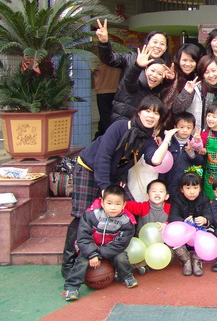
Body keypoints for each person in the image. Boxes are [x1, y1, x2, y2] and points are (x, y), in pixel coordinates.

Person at [62, 97, 169, 279]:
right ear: (139, 112)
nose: (151, 116)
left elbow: (155, 160)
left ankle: (122, 261)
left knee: (128, 210)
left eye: (156, 113)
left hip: (113, 175)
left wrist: (167, 139)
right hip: (89, 168)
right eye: (147, 111)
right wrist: (104, 187)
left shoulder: (148, 139)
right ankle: (69, 263)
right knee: (82, 214)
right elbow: (102, 157)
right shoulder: (120, 127)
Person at [63, 184, 137, 301]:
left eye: (117, 204)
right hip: (90, 247)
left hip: (110, 249)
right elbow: (83, 238)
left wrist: (99, 254)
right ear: (102, 203)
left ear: (124, 205)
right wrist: (92, 254)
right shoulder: (91, 215)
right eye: (109, 203)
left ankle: (126, 276)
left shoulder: (127, 222)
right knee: (82, 261)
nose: (113, 208)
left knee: (121, 258)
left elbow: (120, 244)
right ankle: (72, 286)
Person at [169, 172, 214, 276]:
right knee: (172, 234)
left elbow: (210, 215)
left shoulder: (204, 199)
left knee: (211, 232)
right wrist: (184, 222)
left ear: (200, 188)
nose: (192, 191)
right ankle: (186, 260)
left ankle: (197, 260)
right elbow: (173, 216)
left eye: (195, 188)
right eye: (188, 188)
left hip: (200, 229)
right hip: (184, 230)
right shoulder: (177, 199)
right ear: (182, 189)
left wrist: (205, 220)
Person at [110, 44, 167, 123]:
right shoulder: (136, 84)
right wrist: (138, 66)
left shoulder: (156, 92)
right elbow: (129, 80)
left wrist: (170, 81)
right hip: (123, 124)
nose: (154, 75)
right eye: (152, 70)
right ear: (146, 70)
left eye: (160, 74)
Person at [124, 179, 171, 275]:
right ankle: (142, 265)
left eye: (161, 191)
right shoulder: (144, 207)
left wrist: (167, 224)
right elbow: (126, 205)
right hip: (142, 241)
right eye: (154, 191)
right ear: (147, 195)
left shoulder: (170, 208)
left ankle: (140, 265)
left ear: (166, 196)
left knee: (170, 253)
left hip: (161, 243)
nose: (157, 193)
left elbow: (176, 220)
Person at [96, 20, 170, 72]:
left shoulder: (166, 68)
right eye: (155, 42)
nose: (158, 46)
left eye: (162, 44)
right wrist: (104, 43)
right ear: (147, 43)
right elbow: (109, 59)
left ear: (166, 48)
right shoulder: (131, 58)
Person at [157, 112, 203, 195]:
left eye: (188, 127)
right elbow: (162, 162)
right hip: (171, 181)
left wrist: (191, 153)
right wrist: (161, 182)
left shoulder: (195, 142)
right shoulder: (169, 141)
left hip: (188, 184)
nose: (185, 130)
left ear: (193, 129)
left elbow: (200, 162)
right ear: (175, 127)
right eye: (181, 127)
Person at [160, 43, 205, 128]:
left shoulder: (198, 79)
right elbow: (175, 108)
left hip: (190, 128)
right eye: (184, 60)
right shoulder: (172, 74)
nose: (187, 64)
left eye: (192, 61)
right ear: (178, 59)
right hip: (170, 126)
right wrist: (171, 81)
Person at [191, 54, 217, 130]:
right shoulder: (196, 88)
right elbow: (177, 109)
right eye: (206, 72)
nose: (211, 75)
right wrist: (186, 93)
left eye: (213, 71)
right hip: (197, 133)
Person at [92, 63, 121, 138]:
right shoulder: (120, 57)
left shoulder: (98, 58)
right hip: (116, 89)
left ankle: (101, 141)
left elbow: (93, 69)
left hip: (103, 89)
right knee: (107, 121)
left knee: (105, 121)